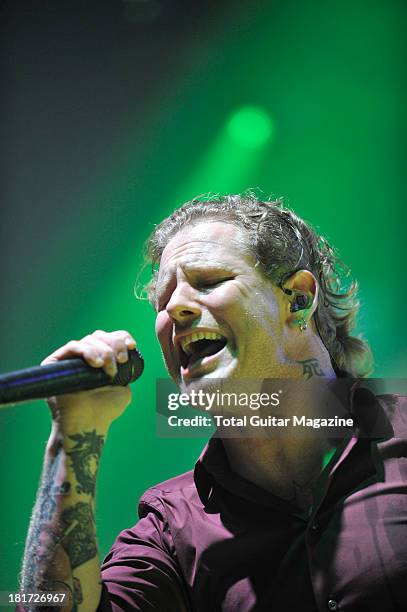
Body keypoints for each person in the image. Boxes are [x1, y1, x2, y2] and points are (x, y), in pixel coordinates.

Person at [19, 194, 407, 611]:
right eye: (163, 300)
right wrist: (72, 431)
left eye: (208, 282)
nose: (176, 309)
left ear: (298, 299)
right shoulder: (172, 527)